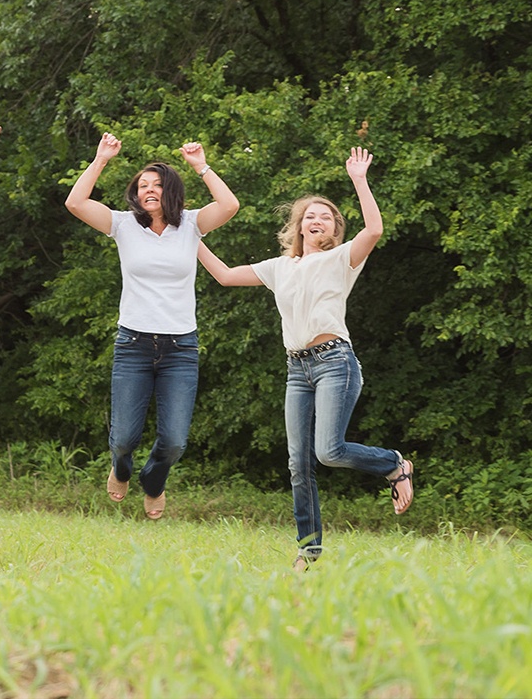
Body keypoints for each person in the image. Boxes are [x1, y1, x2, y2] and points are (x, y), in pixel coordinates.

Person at [196, 147, 413, 569]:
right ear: (299, 226)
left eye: (326, 217)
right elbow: (223, 275)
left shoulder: (342, 259)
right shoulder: (280, 267)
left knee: (328, 451)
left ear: (333, 228)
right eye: (310, 216)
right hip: (297, 369)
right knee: (299, 463)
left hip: (335, 362)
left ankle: (393, 464)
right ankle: (308, 550)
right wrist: (193, 238)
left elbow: (374, 230)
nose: (317, 221)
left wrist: (360, 180)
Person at [64, 133, 239, 519]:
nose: (149, 190)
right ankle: (121, 468)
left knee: (174, 442)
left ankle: (154, 482)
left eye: (157, 184)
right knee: (124, 438)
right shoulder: (124, 225)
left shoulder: (192, 225)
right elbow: (75, 202)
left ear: (171, 191)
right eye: (143, 185)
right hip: (133, 345)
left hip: (180, 348)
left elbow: (229, 204)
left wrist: (201, 166)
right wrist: (101, 160)